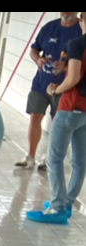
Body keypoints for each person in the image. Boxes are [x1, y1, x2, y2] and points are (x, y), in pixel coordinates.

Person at [27, 12, 86, 225]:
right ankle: (67, 203)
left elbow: (73, 78)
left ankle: (57, 207)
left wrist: (55, 89)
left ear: (82, 19)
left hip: (70, 106)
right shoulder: (56, 31)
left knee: (54, 159)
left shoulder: (77, 43)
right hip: (85, 111)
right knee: (79, 161)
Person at [15, 12, 81, 171]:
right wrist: (38, 59)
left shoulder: (80, 30)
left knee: (57, 123)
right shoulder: (49, 27)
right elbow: (34, 49)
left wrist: (67, 66)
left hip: (64, 87)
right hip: (41, 83)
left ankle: (48, 158)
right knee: (35, 117)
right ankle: (30, 156)